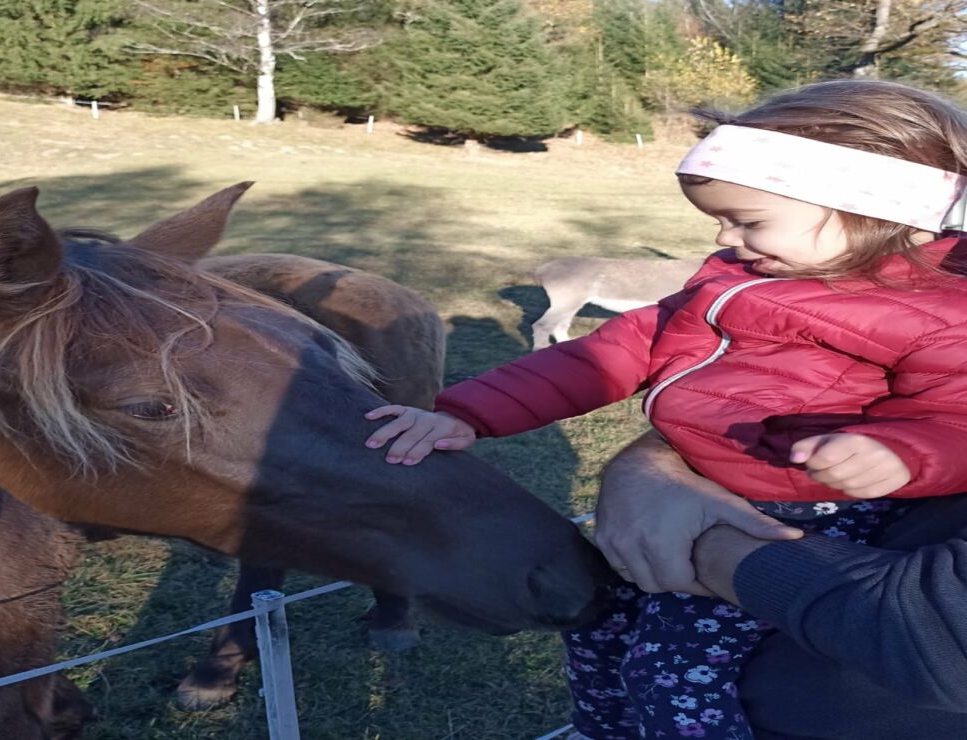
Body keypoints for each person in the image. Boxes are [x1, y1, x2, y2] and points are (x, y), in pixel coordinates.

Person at [363, 80, 967, 739]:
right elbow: (609, 353)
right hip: (705, 491)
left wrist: (901, 453)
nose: (726, 237)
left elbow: (956, 418)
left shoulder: (937, 315)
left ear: (883, 213)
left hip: (801, 521)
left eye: (749, 221)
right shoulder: (737, 278)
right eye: (720, 219)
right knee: (597, 627)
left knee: (675, 674)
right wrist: (468, 413)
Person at [601, 430, 967, 739]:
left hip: (772, 533)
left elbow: (939, 640)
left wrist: (701, 539)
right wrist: (654, 457)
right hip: (764, 504)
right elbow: (715, 396)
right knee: (615, 621)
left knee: (663, 675)